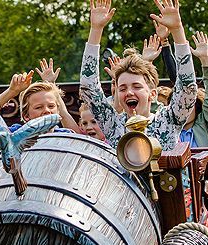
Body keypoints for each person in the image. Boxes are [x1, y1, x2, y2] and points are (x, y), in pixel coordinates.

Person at [80, 0, 196, 151]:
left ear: (152, 93)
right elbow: (89, 88)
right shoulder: (113, 125)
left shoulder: (168, 119)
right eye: (122, 88)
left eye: (136, 86)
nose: (129, 92)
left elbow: (187, 87)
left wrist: (177, 30)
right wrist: (95, 30)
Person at [0, 59, 79, 146]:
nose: (47, 111)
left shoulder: (66, 136)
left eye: (51, 106)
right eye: (39, 107)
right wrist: (11, 92)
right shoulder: (14, 136)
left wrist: (51, 84)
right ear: (26, 116)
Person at [178, 31, 208, 148]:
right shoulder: (166, 127)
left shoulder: (205, 126)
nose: (184, 110)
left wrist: (205, 59)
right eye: (179, 105)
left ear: (196, 106)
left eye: (189, 104)